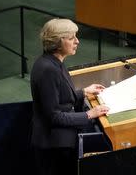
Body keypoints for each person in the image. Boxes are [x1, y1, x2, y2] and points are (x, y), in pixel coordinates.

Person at [31, 18, 109, 175]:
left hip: (60, 141)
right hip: (54, 145)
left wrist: (83, 92)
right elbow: (54, 116)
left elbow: (60, 97)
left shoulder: (54, 62)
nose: (77, 41)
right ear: (58, 42)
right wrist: (89, 114)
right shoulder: (48, 69)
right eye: (72, 38)